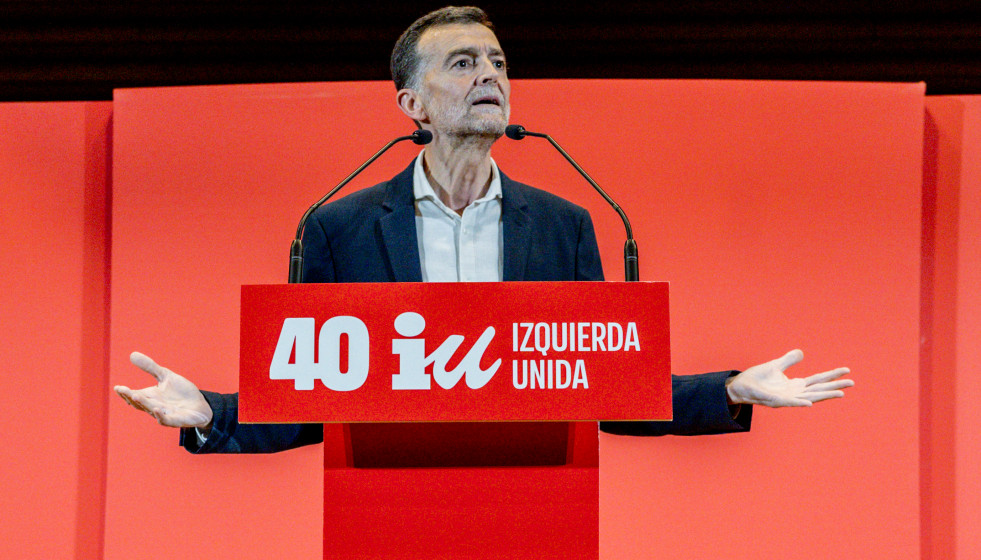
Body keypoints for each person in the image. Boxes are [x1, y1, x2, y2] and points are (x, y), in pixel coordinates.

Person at [114, 6, 853, 452]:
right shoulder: (338, 227)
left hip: (538, 503)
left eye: (497, 62)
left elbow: (608, 391)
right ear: (412, 103)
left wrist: (731, 389)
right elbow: (310, 401)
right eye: (463, 63)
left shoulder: (564, 226)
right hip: (383, 507)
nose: (490, 75)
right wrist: (212, 413)